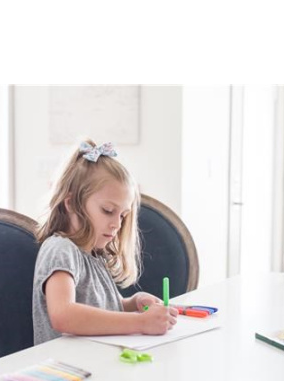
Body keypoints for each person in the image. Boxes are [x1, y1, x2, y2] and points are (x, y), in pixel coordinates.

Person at [33, 139, 178, 345]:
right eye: (108, 211)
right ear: (71, 204)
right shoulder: (61, 249)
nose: (117, 224)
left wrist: (133, 303)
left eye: (123, 215)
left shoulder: (94, 254)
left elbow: (105, 308)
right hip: (66, 362)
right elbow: (63, 315)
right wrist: (140, 322)